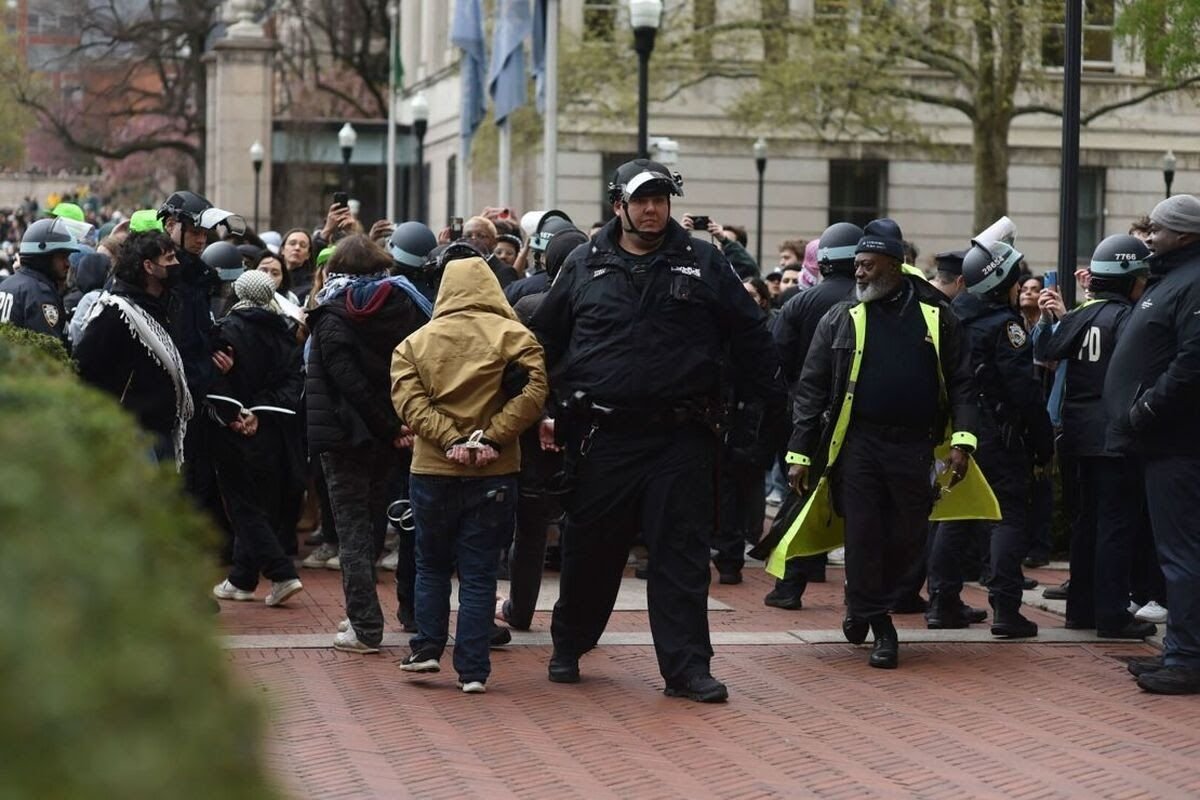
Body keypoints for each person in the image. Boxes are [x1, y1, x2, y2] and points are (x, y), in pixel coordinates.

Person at [530, 158, 785, 702]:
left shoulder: (702, 261)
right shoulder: (582, 263)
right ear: (618, 205)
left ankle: (688, 668)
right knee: (591, 552)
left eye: (661, 199)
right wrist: (546, 406)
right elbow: (542, 342)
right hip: (603, 438)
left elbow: (752, 339)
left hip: (681, 436)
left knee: (682, 556)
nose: (652, 209)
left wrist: (757, 417)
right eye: (642, 200)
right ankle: (569, 642)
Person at [782, 218, 977, 669]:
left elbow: (964, 382)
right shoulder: (842, 317)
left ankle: (863, 603)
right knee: (864, 536)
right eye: (857, 265)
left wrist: (963, 443)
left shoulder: (937, 316)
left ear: (893, 265)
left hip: (913, 448)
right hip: (859, 448)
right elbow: (810, 388)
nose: (859, 273)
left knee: (909, 540)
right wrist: (799, 452)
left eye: (868, 265)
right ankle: (880, 624)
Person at [391, 255, 548, 693]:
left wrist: (449, 441)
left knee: (432, 565)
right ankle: (474, 670)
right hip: (495, 469)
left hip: (434, 468)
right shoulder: (516, 337)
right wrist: (492, 439)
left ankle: (426, 649)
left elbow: (408, 402)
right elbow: (535, 391)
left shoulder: (415, 343)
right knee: (479, 572)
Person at [305, 234, 431, 654]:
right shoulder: (409, 305)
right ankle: (367, 611)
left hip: (344, 438)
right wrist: (397, 425)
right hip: (394, 435)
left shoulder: (329, 313)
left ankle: (364, 625)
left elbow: (346, 381)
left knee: (352, 532)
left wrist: (386, 425)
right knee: (377, 523)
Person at [927, 238, 1053, 637]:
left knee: (955, 514)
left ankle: (942, 602)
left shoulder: (948, 316)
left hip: (954, 434)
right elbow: (1024, 392)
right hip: (997, 436)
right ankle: (1005, 609)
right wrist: (1041, 442)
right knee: (1007, 516)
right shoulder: (1006, 326)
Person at [1034, 235, 1155, 640]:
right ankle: (1111, 614)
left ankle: (1080, 608)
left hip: (1077, 433)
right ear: (1128, 280)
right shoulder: (1128, 318)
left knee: (1087, 524)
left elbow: (1050, 349)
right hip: (1113, 436)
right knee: (1116, 526)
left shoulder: (1082, 315)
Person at [1106, 194, 1200, 694]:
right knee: (1177, 554)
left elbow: (1192, 362)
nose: (1148, 238)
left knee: (1182, 556)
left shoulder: (1192, 281)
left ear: (1183, 236)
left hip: (1177, 443)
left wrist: (1146, 407)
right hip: (1162, 443)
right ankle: (1179, 651)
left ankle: (1186, 659)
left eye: (1157, 231)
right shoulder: (1172, 278)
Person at [759, 222, 862, 610]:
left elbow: (775, 361)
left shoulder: (798, 304)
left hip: (806, 418)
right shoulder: (872, 301)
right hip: (857, 421)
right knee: (861, 503)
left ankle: (789, 585)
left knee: (800, 497)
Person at [209, 270, 306, 607]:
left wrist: (238, 414)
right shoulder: (286, 334)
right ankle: (242, 578)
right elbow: (293, 385)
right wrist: (260, 413)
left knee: (243, 506)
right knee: (259, 504)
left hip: (234, 430)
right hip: (273, 431)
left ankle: (281, 573)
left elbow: (216, 381)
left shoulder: (225, 330)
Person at [74, 230, 193, 466]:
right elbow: (85, 371)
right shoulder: (115, 313)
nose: (176, 264)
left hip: (164, 431)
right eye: (169, 259)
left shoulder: (168, 305)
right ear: (149, 266)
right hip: (133, 436)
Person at [0, 217, 85, 340]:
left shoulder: (6, 284)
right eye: (62, 257)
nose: (67, 264)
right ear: (44, 258)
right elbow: (49, 352)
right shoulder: (40, 294)